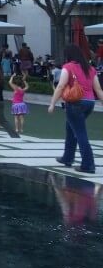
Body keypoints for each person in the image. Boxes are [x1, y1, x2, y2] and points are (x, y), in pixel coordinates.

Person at [49, 44, 103, 174]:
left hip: (75, 102)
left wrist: (52, 103)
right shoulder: (90, 68)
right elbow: (98, 89)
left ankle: (88, 164)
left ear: (68, 55)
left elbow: (61, 86)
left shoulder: (68, 67)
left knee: (80, 132)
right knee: (71, 127)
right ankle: (68, 157)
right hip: (89, 103)